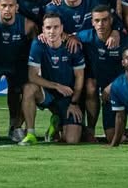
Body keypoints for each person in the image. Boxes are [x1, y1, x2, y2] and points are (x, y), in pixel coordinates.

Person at [19, 13, 85, 145]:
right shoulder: (38, 44)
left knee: (72, 140)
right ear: (43, 29)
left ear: (61, 28)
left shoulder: (72, 47)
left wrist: (74, 103)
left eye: (55, 27)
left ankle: (56, 123)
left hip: (68, 96)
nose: (52, 31)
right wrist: (56, 86)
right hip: (48, 93)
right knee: (28, 88)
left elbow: (80, 77)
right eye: (48, 28)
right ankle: (31, 133)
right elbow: (32, 76)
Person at [0, 0, 36, 143]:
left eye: (11, 6)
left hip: (16, 63)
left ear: (16, 7)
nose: (7, 9)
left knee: (21, 90)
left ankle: (16, 126)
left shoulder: (27, 25)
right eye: (4, 5)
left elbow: (36, 47)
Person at [76, 5, 128, 141]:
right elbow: (68, 37)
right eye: (97, 20)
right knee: (90, 86)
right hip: (95, 82)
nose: (101, 24)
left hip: (115, 86)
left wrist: (113, 86)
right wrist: (70, 38)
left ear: (111, 21)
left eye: (105, 20)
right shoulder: (85, 36)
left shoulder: (123, 40)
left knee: (112, 137)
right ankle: (90, 129)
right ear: (92, 22)